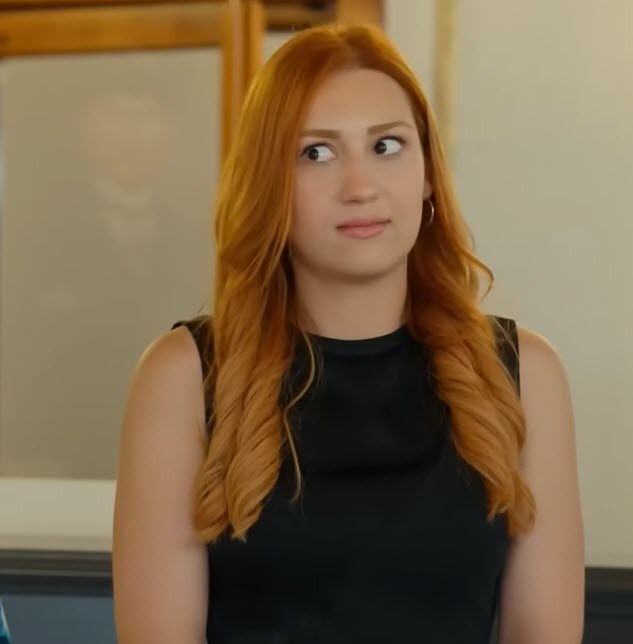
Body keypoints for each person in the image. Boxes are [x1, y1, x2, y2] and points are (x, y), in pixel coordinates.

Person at [112, 22, 585, 644]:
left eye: (387, 145)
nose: (361, 187)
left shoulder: (525, 375)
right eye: (316, 153)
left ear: (427, 175)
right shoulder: (181, 376)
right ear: (269, 182)